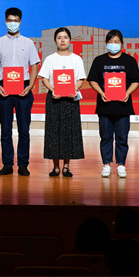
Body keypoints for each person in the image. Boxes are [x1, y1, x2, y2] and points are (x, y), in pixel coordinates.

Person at [0, 7, 40, 176]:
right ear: (5, 22)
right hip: (4, 88)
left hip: (23, 88)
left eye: (15, 21)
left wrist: (30, 86)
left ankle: (23, 164)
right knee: (6, 130)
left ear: (21, 22)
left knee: (24, 129)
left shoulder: (28, 43)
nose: (13, 23)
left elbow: (34, 66)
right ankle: (7, 164)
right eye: (10, 20)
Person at [87, 29, 139, 178]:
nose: (113, 44)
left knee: (122, 137)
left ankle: (121, 165)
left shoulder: (129, 61)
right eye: (110, 42)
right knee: (105, 136)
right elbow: (92, 80)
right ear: (106, 43)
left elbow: (136, 81)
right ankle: (106, 164)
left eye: (116, 41)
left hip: (123, 106)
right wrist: (101, 92)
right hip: (104, 106)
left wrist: (127, 93)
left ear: (122, 43)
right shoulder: (99, 60)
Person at [39, 27, 86, 177]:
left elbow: (81, 79)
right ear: (55, 41)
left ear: (70, 40)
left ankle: (66, 166)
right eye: (59, 38)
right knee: (53, 132)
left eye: (65, 37)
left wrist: (74, 89)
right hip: (54, 99)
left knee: (69, 132)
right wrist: (53, 90)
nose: (62, 40)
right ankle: (55, 167)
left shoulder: (76, 59)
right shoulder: (50, 59)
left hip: (71, 100)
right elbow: (44, 79)